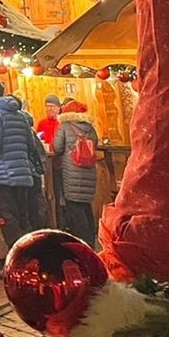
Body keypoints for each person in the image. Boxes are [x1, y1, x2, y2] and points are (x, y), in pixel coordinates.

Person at [0, 80, 39, 249]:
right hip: (23, 174)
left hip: (2, 176)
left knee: (9, 221)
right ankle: (32, 258)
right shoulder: (19, 114)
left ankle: (18, 263)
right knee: (23, 220)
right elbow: (30, 145)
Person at [51, 99, 100, 246]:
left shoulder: (64, 126)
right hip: (89, 170)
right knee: (85, 205)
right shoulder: (90, 128)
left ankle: (82, 243)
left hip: (72, 171)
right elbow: (95, 144)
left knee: (74, 206)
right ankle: (91, 239)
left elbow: (58, 148)